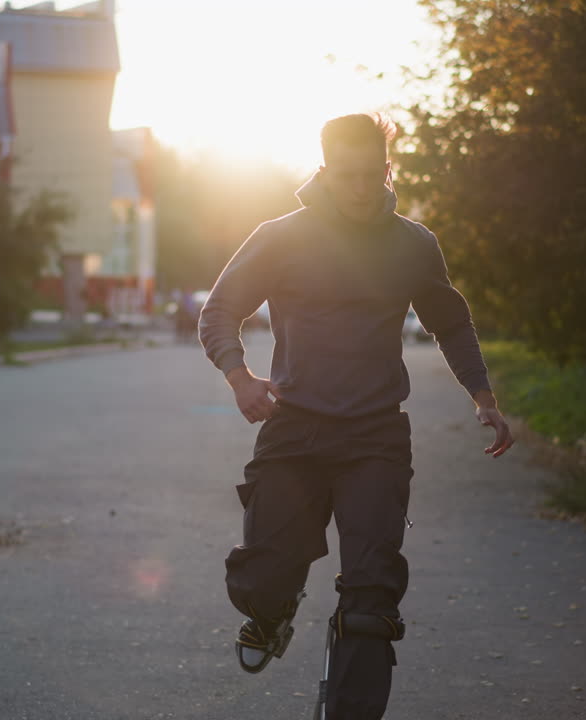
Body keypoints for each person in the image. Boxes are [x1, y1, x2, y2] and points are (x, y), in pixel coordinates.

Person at [197, 113, 514, 720]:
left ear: (388, 169)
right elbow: (219, 311)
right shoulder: (281, 236)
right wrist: (239, 378)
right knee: (263, 578)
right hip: (295, 427)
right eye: (349, 175)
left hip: (375, 436)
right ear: (324, 171)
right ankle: (272, 610)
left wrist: (484, 397)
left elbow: (451, 322)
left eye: (373, 174)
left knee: (371, 600)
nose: (363, 188)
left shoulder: (412, 244)